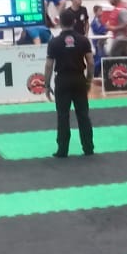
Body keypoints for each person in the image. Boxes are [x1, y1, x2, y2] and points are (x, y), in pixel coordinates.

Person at [44, 9, 94, 158]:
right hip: (79, 79)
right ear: (74, 22)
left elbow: (49, 65)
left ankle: (62, 149)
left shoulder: (54, 42)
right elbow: (91, 63)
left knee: (63, 116)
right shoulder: (83, 40)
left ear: (60, 23)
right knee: (83, 115)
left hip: (62, 80)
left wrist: (47, 85)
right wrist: (89, 80)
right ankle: (88, 147)